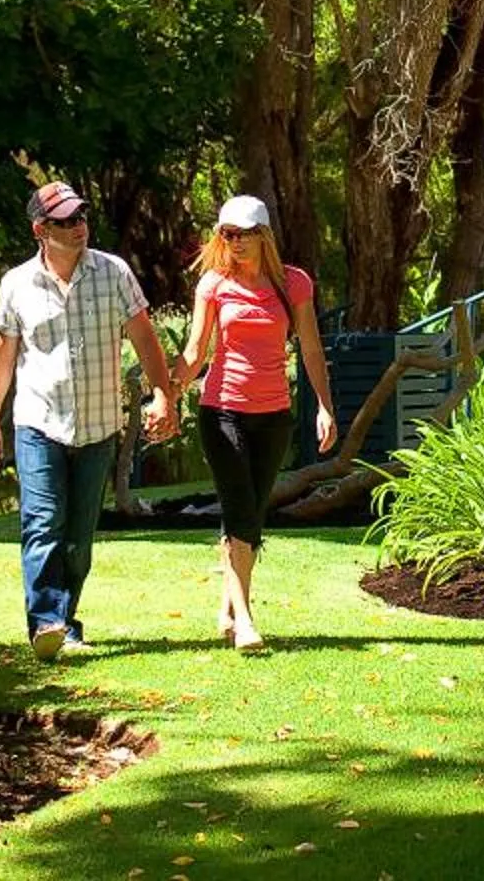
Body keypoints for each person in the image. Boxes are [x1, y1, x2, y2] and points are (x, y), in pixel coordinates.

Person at [0, 179, 177, 659]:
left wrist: (164, 397)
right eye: (66, 221)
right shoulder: (17, 284)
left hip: (98, 424)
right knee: (43, 522)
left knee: (78, 541)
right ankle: (46, 621)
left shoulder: (114, 273)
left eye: (81, 217)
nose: (78, 227)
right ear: (40, 230)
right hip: (38, 423)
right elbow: (1, 359)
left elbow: (145, 339)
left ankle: (66, 622)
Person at [175, 193, 335, 650]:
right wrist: (166, 390)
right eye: (228, 234)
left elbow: (310, 348)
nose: (236, 243)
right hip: (222, 410)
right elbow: (195, 352)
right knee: (240, 510)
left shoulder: (294, 284)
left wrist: (324, 406)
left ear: (264, 235)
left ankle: (228, 603)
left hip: (274, 415)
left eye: (244, 234)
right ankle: (244, 621)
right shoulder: (214, 285)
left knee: (251, 517)